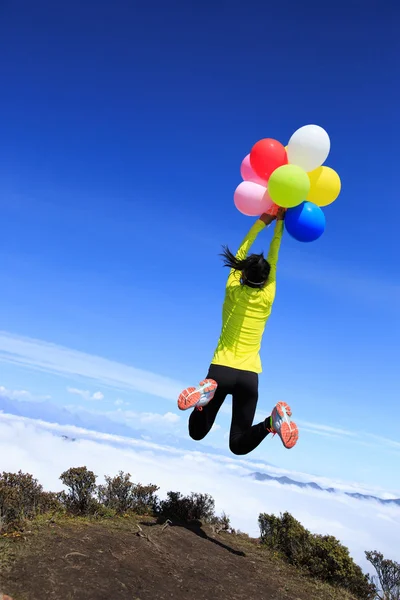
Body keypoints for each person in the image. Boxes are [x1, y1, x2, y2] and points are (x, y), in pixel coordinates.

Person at [177, 209, 298, 455]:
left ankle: (202, 401)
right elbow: (274, 256)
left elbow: (242, 250)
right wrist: (281, 222)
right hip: (249, 377)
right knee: (238, 444)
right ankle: (271, 422)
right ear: (266, 279)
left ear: (242, 272)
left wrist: (264, 220)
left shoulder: (233, 289)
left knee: (196, 433)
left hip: (221, 370)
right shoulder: (267, 296)